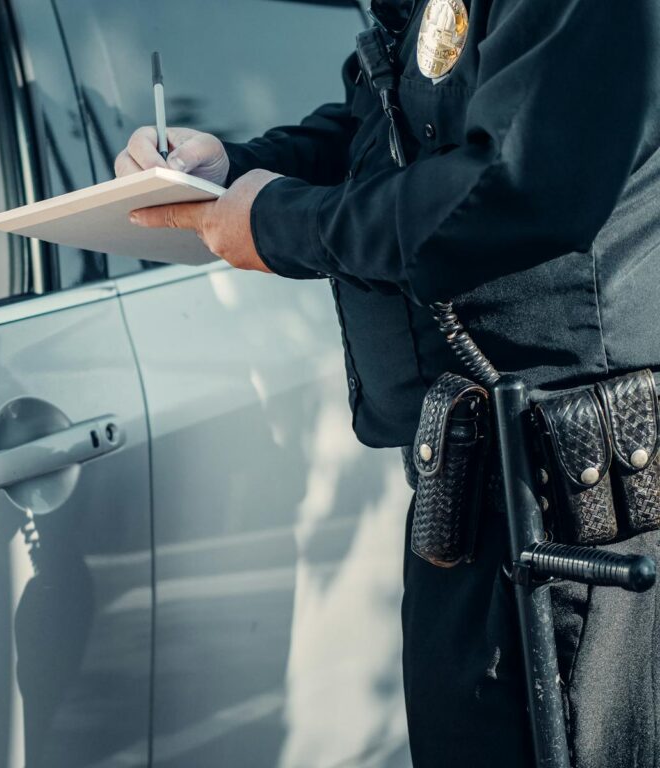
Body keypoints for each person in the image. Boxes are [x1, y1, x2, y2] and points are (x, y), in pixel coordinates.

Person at [116, 1, 660, 766]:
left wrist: (281, 223)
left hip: (580, 513)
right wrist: (232, 168)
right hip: (471, 496)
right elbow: (381, 130)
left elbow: (520, 183)